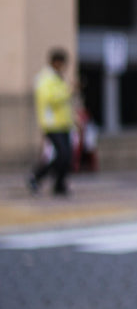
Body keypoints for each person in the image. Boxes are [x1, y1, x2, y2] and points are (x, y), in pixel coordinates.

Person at [28, 48, 74, 197]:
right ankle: (38, 176)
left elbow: (65, 103)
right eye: (63, 63)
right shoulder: (45, 78)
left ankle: (59, 184)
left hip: (64, 123)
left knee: (66, 157)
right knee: (62, 155)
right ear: (56, 62)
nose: (64, 67)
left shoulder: (59, 78)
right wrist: (68, 91)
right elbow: (49, 99)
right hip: (52, 124)